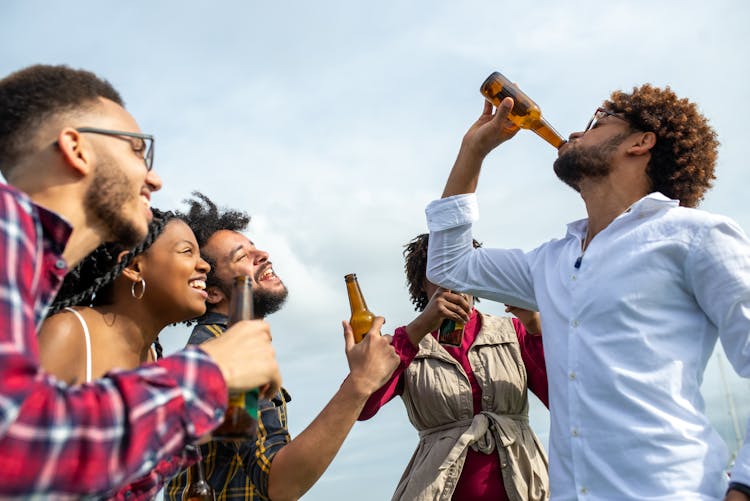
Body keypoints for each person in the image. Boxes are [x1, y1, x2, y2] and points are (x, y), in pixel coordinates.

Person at [425, 85, 750, 500]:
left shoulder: (695, 236)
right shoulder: (551, 263)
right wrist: (473, 151)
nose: (576, 134)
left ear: (640, 142)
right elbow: (449, 265)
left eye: (597, 121)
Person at [0, 64, 280, 497]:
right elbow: (14, 452)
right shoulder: (8, 229)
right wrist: (210, 374)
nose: (154, 177)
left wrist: (196, 423)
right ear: (76, 148)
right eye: (137, 150)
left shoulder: (32, 276)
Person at [165, 192, 401, 501]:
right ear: (212, 293)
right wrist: (360, 383)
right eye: (242, 256)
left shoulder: (227, 343)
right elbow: (278, 482)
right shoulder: (224, 352)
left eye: (254, 246)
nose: (262, 253)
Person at [358, 233, 549, 500]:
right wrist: (414, 333)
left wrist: (537, 330)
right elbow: (361, 407)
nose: (455, 278)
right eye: (443, 268)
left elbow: (565, 402)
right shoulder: (406, 344)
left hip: (525, 487)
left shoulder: (513, 331)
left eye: (463, 265)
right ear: (422, 283)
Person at [38, 209, 212, 498]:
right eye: (187, 252)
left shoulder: (155, 359)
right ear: (133, 267)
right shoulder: (69, 333)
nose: (204, 265)